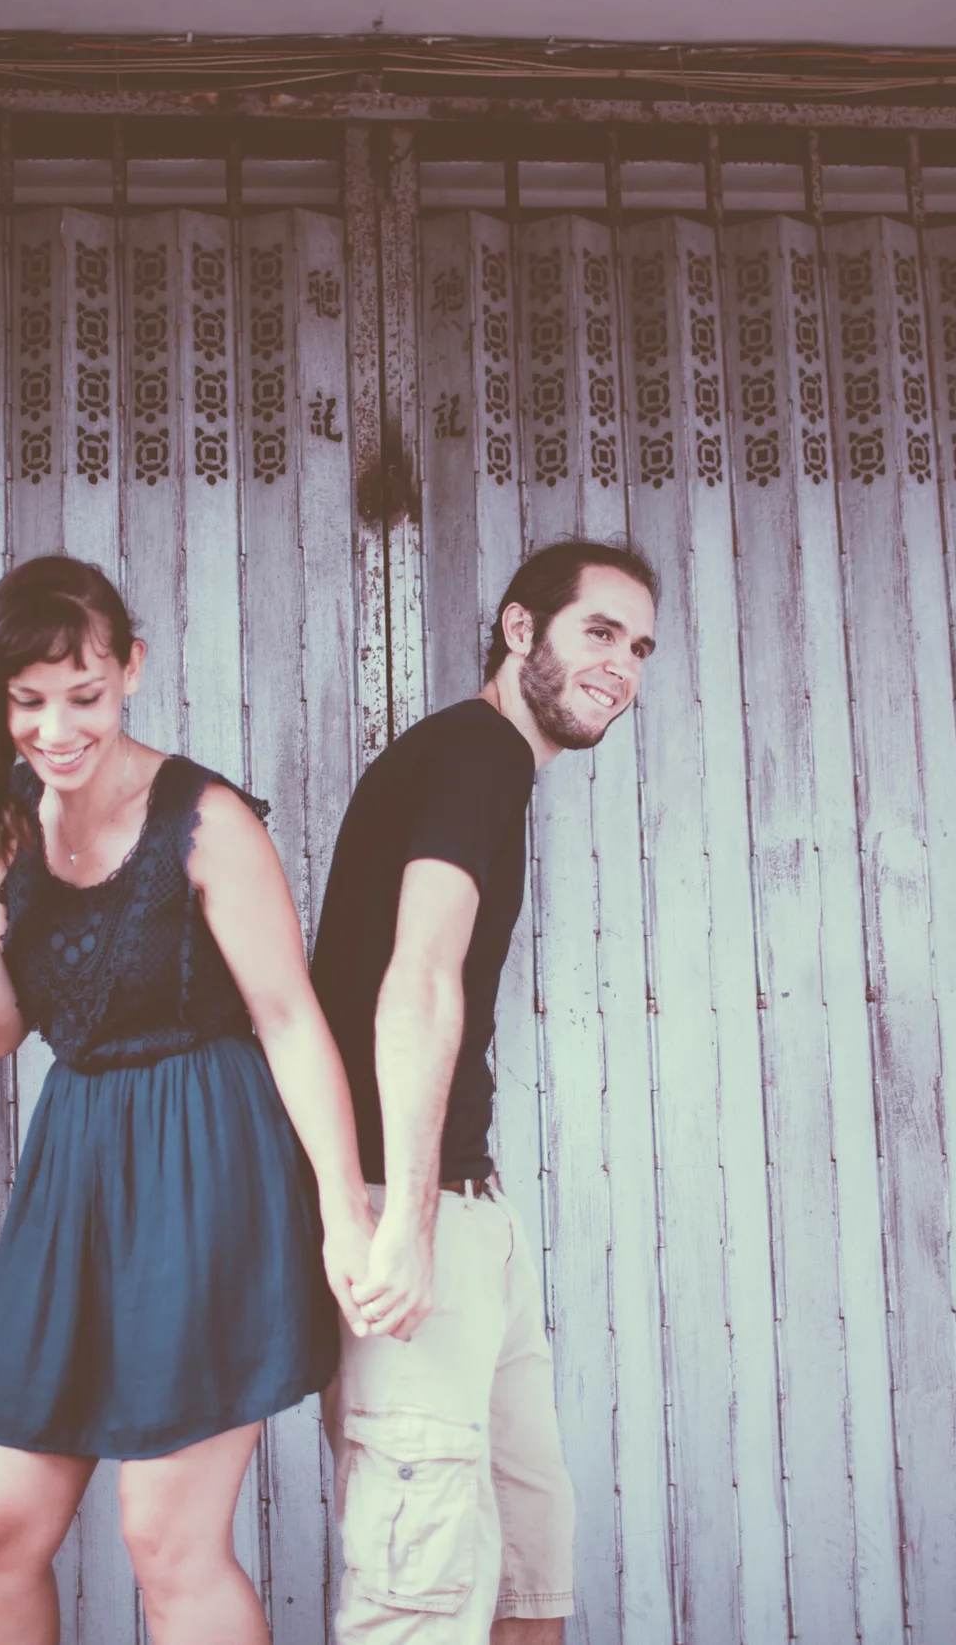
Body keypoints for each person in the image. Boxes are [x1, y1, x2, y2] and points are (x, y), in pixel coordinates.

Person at [0, 555, 377, 1645]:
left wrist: (343, 1211)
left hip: (206, 1165)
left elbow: (288, 1016)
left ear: (130, 668)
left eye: (82, 694)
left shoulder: (204, 816)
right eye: (27, 700)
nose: (55, 728)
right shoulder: (3, 815)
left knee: (165, 1539)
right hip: (74, 1171)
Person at [309, 539, 660, 1644]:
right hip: (408, 1211)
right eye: (598, 631)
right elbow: (417, 979)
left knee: (526, 1582)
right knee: (415, 1603)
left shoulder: (486, 764)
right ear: (520, 630)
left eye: (640, 646)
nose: (622, 666)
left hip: (471, 1214)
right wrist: (407, 1220)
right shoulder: (477, 751)